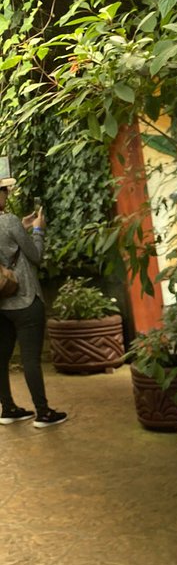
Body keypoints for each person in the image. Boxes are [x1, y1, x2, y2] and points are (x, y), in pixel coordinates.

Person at [0, 177, 67, 427]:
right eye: (3, 190)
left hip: (1, 304)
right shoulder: (8, 221)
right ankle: (43, 413)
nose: (7, 194)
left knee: (1, 358)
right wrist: (38, 230)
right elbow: (36, 256)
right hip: (26, 300)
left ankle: (8, 408)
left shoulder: (11, 222)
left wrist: (23, 226)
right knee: (30, 359)